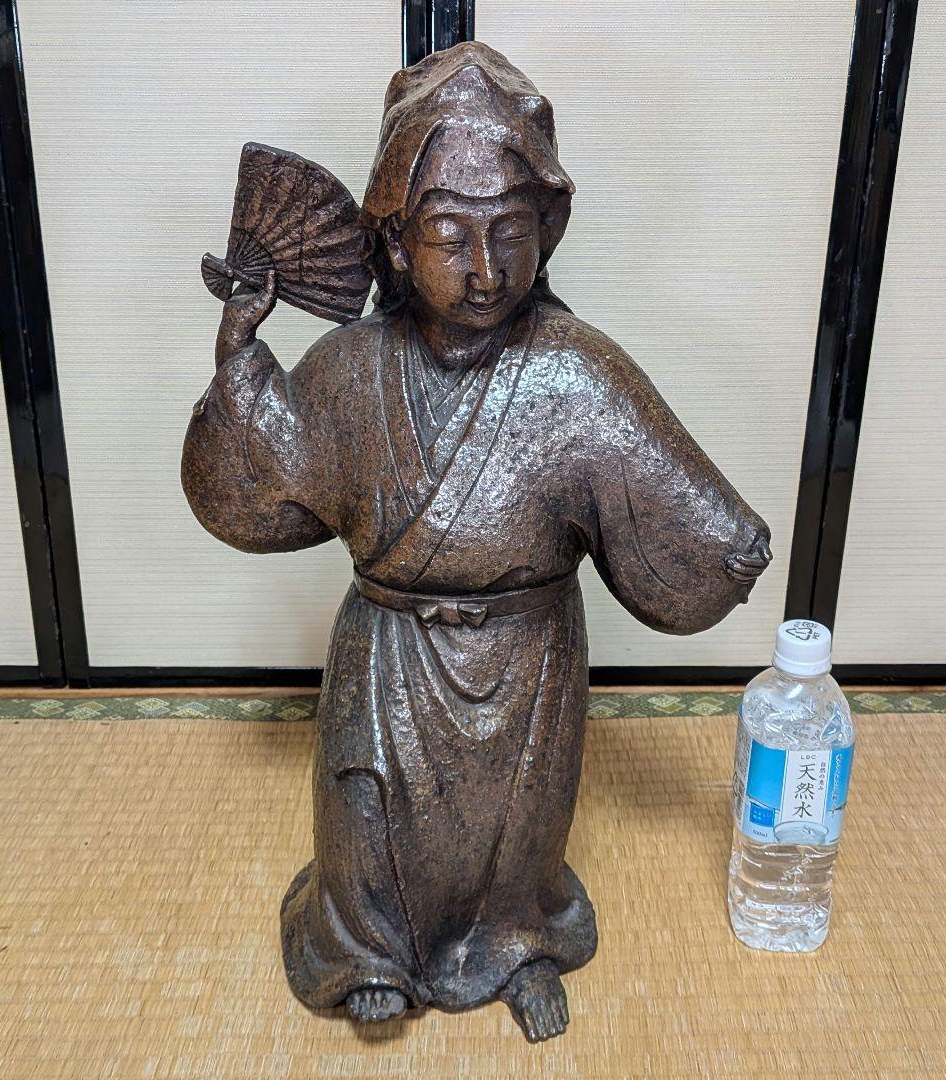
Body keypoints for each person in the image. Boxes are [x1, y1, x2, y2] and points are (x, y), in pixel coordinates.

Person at [181, 42, 771, 1043]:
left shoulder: (578, 371)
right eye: (450, 234)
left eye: (510, 232)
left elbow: (664, 490)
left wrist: (725, 546)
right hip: (388, 654)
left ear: (548, 228)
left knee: (521, 831)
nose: (485, 269)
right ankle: (371, 950)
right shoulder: (350, 367)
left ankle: (518, 944)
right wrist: (240, 360)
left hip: (528, 657)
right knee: (363, 814)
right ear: (394, 241)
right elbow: (265, 503)